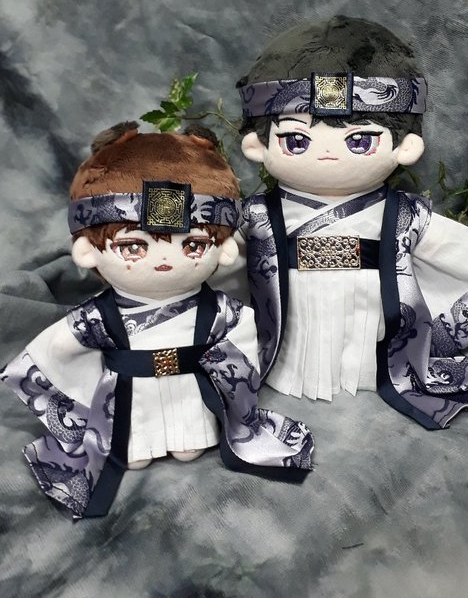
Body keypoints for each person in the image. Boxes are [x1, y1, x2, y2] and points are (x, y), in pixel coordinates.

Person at [235, 15, 468, 428]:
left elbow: (455, 251)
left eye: (360, 140)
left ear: (405, 146)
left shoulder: (402, 215)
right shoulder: (258, 214)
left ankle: (370, 371)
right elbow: (224, 262)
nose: (328, 155)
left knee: (369, 342)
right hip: (289, 321)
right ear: (257, 146)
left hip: (375, 322)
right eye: (297, 140)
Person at [1, 122, 313, 519]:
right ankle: (135, 444)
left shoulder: (214, 309)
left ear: (223, 249)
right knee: (133, 436)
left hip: (191, 387)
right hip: (130, 391)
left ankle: (189, 437)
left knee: (190, 434)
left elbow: (245, 338)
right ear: (87, 250)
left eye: (194, 244)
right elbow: (57, 348)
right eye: (133, 246)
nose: (164, 260)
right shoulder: (101, 315)